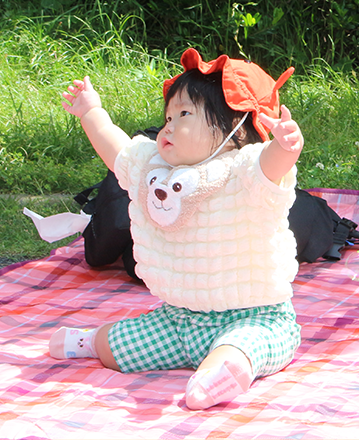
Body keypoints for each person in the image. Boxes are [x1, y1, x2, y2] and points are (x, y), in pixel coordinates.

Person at [50, 48, 304, 410]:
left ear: (235, 127)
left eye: (184, 114)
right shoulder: (155, 170)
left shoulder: (246, 170)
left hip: (255, 317)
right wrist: (92, 112)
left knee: (241, 348)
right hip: (179, 319)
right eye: (168, 116)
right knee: (119, 346)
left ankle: (218, 376)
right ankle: (92, 341)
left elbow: (272, 165)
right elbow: (117, 150)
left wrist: (285, 146)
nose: (168, 125)